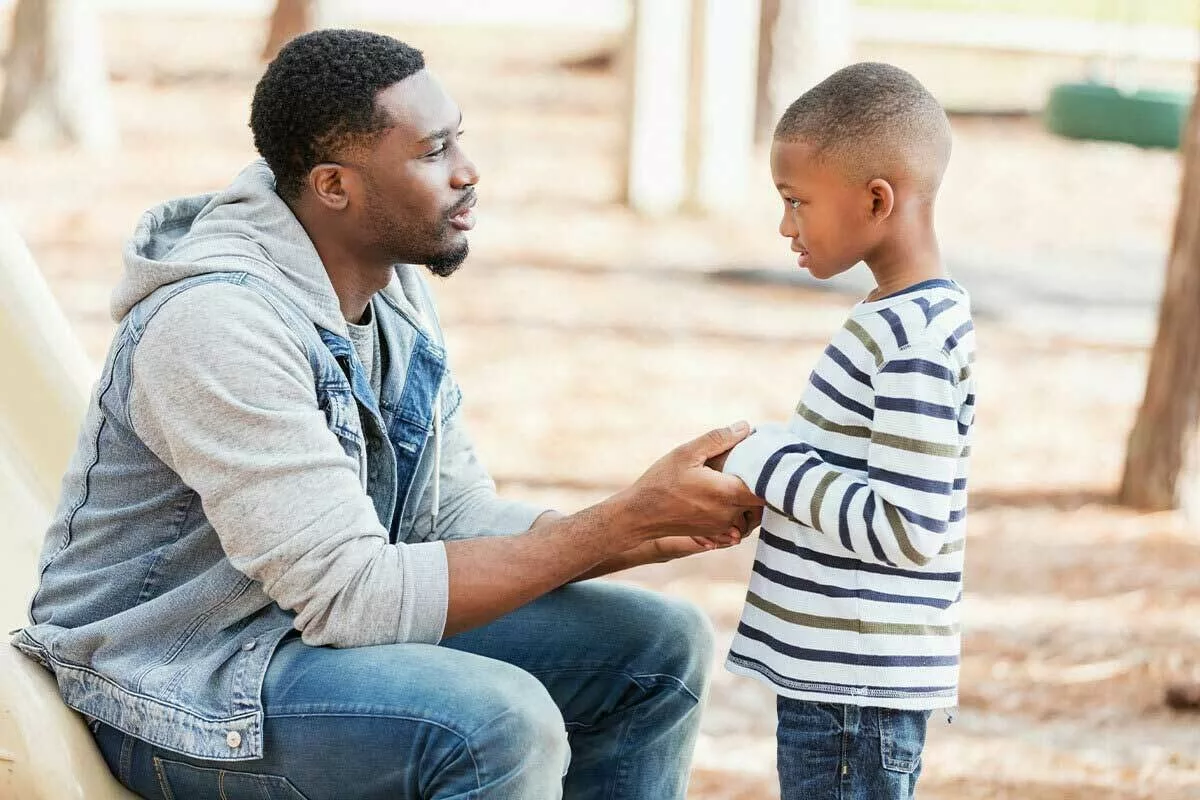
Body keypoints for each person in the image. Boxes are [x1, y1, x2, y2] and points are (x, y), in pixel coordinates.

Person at [10, 29, 764, 800]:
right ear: (335, 186)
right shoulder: (215, 325)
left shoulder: (388, 285)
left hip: (299, 636)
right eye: (434, 152)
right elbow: (354, 598)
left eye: (458, 139)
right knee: (495, 724)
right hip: (170, 686)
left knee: (655, 648)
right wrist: (610, 528)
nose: (469, 173)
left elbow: (449, 515)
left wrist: (639, 530)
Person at [710, 63, 976, 800]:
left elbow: (907, 526)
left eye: (796, 202)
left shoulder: (914, 338)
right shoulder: (897, 318)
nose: (784, 226)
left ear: (877, 199)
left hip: (854, 695)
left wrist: (767, 460)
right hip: (842, 685)